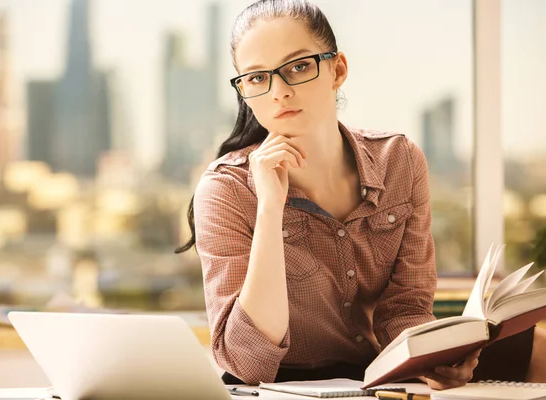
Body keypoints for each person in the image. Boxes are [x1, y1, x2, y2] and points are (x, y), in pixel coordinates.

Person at [175, 0, 546, 390]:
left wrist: (431, 360)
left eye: (299, 67)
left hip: (383, 365)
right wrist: (269, 207)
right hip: (286, 382)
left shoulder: (399, 161)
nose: (279, 92)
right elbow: (248, 361)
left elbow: (406, 308)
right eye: (256, 77)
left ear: (338, 70)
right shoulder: (225, 188)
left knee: (535, 347)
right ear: (244, 90)